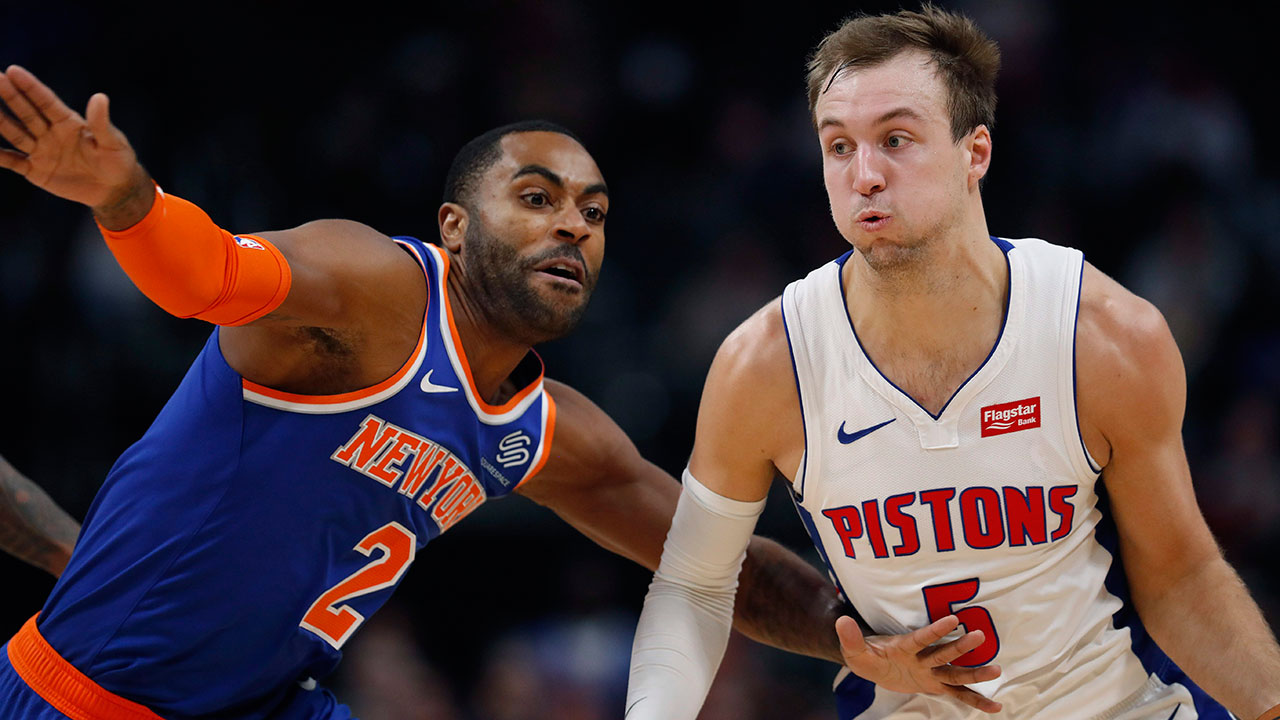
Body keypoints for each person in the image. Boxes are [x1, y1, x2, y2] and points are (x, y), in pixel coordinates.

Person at [0, 64, 994, 719]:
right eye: (536, 199)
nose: (572, 227)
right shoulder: (372, 289)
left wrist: (857, 638)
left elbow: (719, 565)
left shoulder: (543, 431)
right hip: (84, 700)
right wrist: (126, 202)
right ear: (455, 228)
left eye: (592, 214)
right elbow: (206, 277)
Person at [624, 6, 1280, 720]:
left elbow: (1181, 577)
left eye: (895, 139)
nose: (865, 174)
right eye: (838, 146)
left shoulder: (1101, 335)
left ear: (976, 153)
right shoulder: (768, 363)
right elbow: (695, 584)